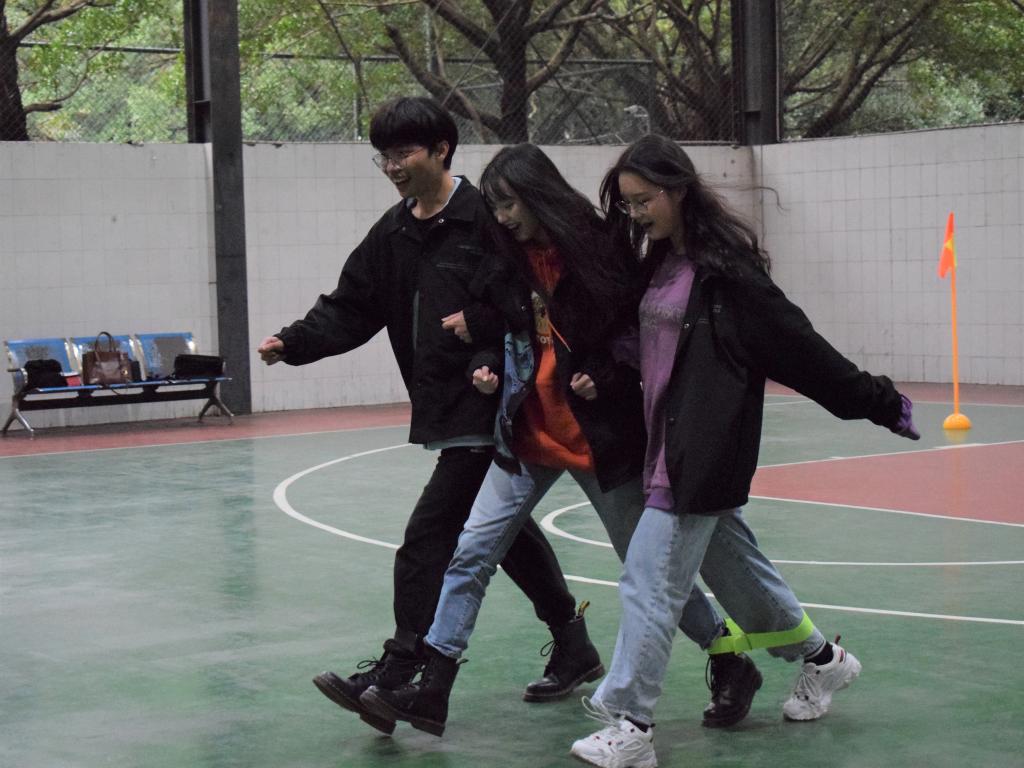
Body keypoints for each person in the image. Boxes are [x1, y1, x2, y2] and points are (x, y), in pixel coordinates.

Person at [357, 143, 760, 737]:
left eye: (509, 204)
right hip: (526, 435)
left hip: (598, 442)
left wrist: (606, 373)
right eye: (495, 207)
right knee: (472, 552)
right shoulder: (505, 257)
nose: (502, 217)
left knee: (646, 569)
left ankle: (729, 657)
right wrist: (483, 360)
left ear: (537, 195)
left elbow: (633, 333)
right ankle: (433, 689)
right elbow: (496, 320)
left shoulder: (599, 251)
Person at [569, 134, 921, 768]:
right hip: (662, 448)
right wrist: (606, 370)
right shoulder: (660, 264)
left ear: (679, 191)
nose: (636, 214)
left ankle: (632, 725)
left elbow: (805, 352)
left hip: (701, 456)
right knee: (740, 577)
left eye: (645, 200)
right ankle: (824, 660)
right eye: (627, 203)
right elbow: (644, 343)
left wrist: (881, 401)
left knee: (649, 582)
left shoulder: (730, 277)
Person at [256, 98, 594, 735]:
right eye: (382, 156)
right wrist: (294, 342)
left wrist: (487, 346)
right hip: (442, 406)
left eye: (403, 153)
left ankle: (401, 667)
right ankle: (573, 643)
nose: (391, 166)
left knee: (430, 536)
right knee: (502, 534)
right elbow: (351, 306)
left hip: (496, 405)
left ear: (441, 149)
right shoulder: (393, 232)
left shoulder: (489, 218)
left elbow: (523, 301)